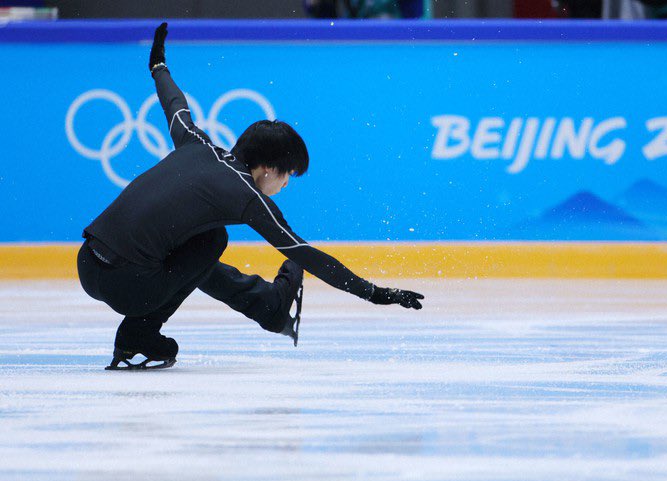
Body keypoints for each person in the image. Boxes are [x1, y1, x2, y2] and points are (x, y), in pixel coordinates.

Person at [77, 23, 424, 371]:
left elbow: (175, 105)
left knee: (198, 238)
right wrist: (376, 293)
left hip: (88, 264)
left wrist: (158, 66)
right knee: (211, 240)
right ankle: (140, 336)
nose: (286, 185)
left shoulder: (195, 143)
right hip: (130, 287)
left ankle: (267, 306)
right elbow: (305, 254)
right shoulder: (245, 193)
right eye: (288, 175)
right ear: (268, 169)